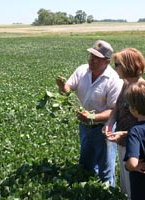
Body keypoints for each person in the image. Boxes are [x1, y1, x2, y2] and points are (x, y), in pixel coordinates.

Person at [56, 40, 123, 186]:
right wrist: (63, 87)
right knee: (86, 165)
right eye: (91, 56)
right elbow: (68, 89)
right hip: (85, 126)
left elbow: (114, 111)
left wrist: (93, 118)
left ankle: (107, 193)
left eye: (96, 58)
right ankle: (87, 191)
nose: (91, 60)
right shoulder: (82, 70)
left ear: (107, 61)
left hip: (105, 128)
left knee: (106, 169)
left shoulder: (113, 79)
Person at [103, 48, 145, 198]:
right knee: (126, 185)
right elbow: (117, 106)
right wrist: (110, 123)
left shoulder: (142, 89)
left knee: (135, 188)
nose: (114, 68)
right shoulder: (126, 84)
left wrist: (123, 134)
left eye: (117, 64)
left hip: (136, 147)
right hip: (124, 141)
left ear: (128, 66)